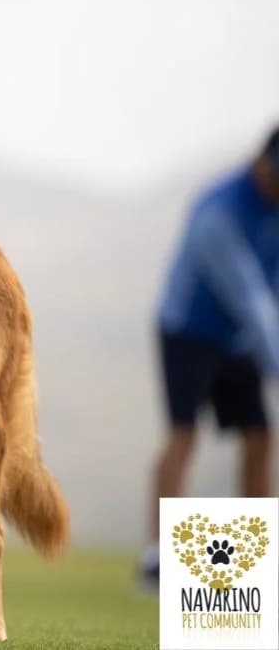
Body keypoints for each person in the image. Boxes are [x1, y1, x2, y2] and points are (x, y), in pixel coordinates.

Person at [141, 127, 278, 585]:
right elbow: (249, 294)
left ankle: (259, 559)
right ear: (261, 160)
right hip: (188, 330)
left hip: (239, 338)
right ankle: (158, 558)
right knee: (183, 434)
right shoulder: (219, 210)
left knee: (260, 434)